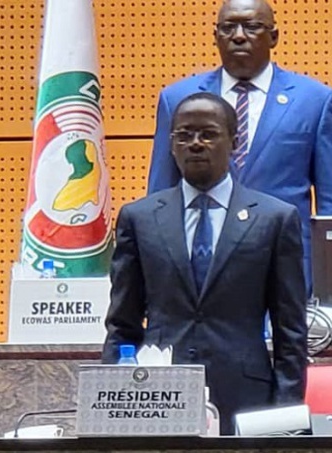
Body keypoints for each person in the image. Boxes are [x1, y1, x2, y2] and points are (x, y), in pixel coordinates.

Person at [102, 92, 308, 435]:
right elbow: (123, 323)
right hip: (157, 397)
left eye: (208, 134)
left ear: (234, 141)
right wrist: (111, 402)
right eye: (184, 135)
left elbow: (290, 330)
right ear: (171, 144)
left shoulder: (275, 219)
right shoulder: (139, 218)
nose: (195, 144)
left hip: (247, 398)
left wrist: (286, 412)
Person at [147, 0, 332, 292]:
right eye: (228, 27)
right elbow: (160, 196)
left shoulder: (315, 101)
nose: (239, 35)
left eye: (252, 26)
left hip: (286, 267)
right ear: (215, 35)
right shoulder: (178, 98)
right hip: (200, 266)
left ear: (274, 37)